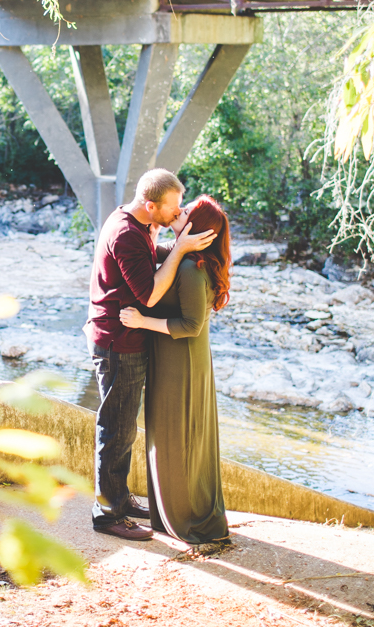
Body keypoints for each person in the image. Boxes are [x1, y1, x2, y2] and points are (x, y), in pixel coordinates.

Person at [84, 169, 216, 541]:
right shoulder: (127, 232)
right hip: (117, 344)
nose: (177, 214)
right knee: (117, 428)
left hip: (120, 338)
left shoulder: (134, 222)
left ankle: (120, 499)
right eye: (173, 207)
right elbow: (149, 295)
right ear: (150, 204)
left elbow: (148, 258)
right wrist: (182, 250)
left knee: (123, 426)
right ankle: (107, 513)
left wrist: (178, 247)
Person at [120, 195, 232, 546]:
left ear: (197, 230)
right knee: (169, 437)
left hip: (182, 362)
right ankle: (172, 514)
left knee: (178, 439)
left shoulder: (191, 269)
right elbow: (155, 252)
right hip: (174, 359)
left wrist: (142, 320)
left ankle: (190, 519)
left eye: (185, 213)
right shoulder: (181, 256)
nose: (177, 213)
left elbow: (191, 325)